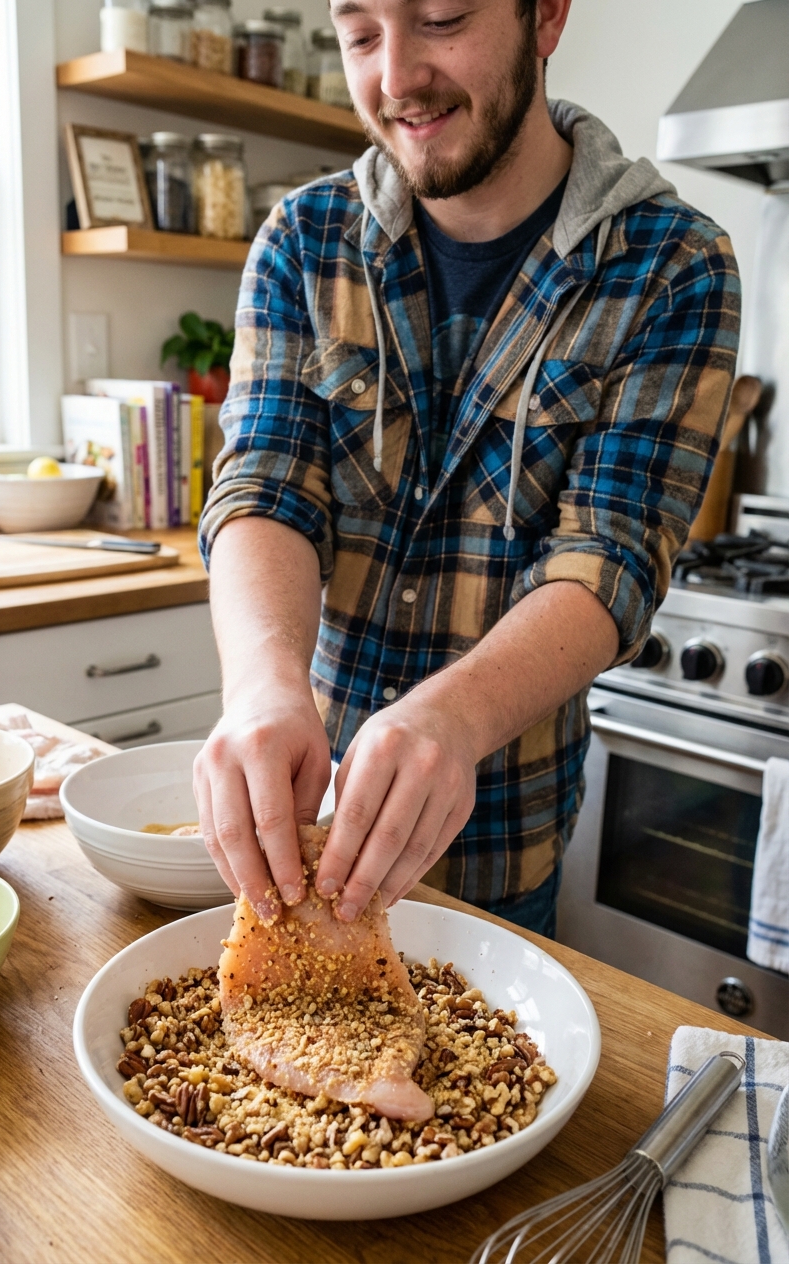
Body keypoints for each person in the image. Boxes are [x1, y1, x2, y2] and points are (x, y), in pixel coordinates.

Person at [194, 0, 740, 936]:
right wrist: (262, 684)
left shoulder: (674, 264)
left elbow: (609, 557)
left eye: (442, 17)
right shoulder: (302, 241)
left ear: (548, 16)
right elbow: (262, 488)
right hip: (305, 821)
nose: (396, 77)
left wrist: (454, 716)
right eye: (360, 33)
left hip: (503, 839)